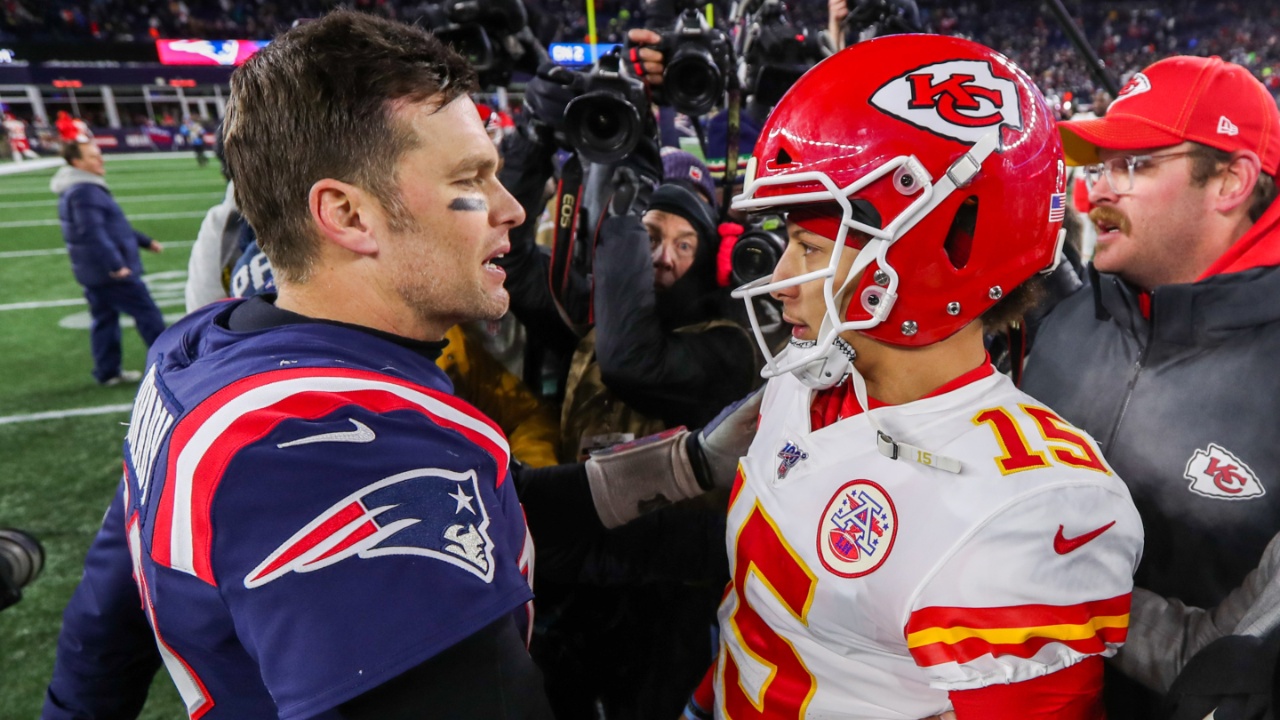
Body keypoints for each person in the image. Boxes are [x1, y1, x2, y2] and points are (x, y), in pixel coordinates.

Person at [44, 11, 554, 718]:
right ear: (347, 214)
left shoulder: (197, 350)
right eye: (471, 178)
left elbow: (103, 628)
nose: (511, 208)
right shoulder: (333, 449)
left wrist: (666, 473)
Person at [689, 34, 1143, 719]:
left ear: (939, 252)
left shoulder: (1030, 506)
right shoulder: (806, 378)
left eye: (810, 245)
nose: (781, 280)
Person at [1020, 54, 1280, 717]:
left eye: (1133, 165)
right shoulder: (1070, 311)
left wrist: (1049, 584)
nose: (1096, 191)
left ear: (1230, 181)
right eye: (1099, 164)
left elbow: (1238, 662)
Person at [51, 140, 166, 386]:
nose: (100, 159)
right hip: (108, 272)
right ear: (77, 162)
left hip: (94, 272)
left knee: (105, 320)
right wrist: (115, 265)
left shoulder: (80, 188)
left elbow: (115, 228)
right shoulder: (84, 190)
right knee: (148, 314)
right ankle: (171, 365)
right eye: (93, 156)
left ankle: (108, 371)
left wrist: (145, 241)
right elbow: (91, 232)